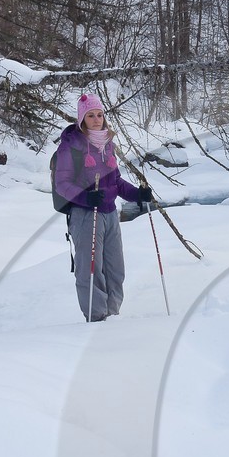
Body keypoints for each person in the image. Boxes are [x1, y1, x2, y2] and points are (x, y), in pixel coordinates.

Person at [52, 93, 154, 322]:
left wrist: (138, 194)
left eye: (100, 114)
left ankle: (113, 315)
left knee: (115, 269)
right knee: (90, 270)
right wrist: (86, 198)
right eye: (91, 115)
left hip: (109, 213)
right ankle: (96, 317)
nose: (97, 119)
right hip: (85, 214)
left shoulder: (108, 144)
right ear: (82, 119)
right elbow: (62, 184)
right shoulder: (70, 147)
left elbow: (116, 182)